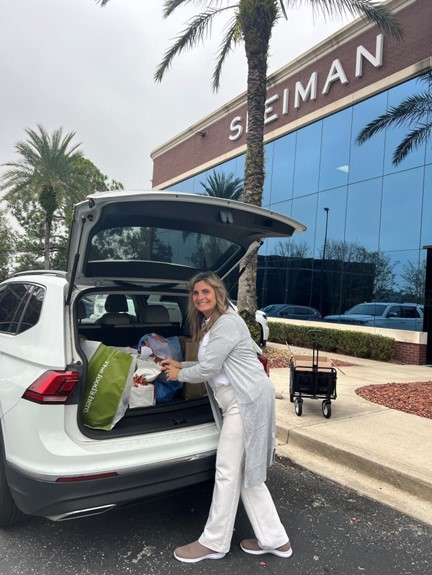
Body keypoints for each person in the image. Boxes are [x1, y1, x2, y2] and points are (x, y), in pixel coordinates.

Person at [161, 272, 292, 563]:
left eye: (206, 291)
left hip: (244, 402)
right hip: (240, 400)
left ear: (218, 294)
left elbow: (207, 371)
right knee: (246, 474)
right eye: (195, 293)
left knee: (227, 471)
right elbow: (213, 363)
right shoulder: (214, 324)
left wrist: (179, 373)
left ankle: (214, 542)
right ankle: (275, 539)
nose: (200, 297)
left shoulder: (228, 322)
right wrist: (182, 362)